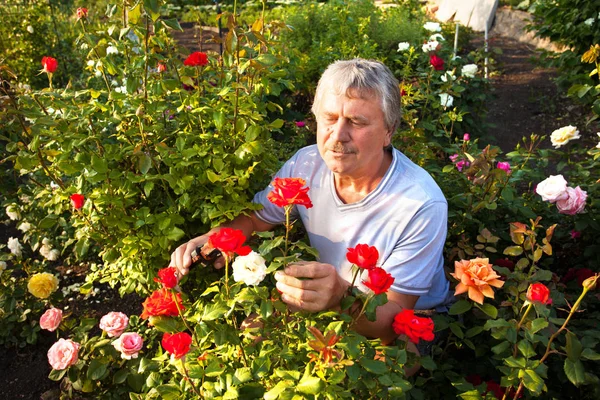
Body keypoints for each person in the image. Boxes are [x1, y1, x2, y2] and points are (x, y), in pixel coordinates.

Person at [171, 58, 452, 345]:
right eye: (330, 118)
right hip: (331, 295)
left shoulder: (420, 204)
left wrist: (340, 298)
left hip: (409, 319)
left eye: (357, 122)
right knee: (248, 338)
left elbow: (394, 318)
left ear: (388, 131)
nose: (338, 135)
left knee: (366, 381)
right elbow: (256, 218)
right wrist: (214, 238)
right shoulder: (307, 164)